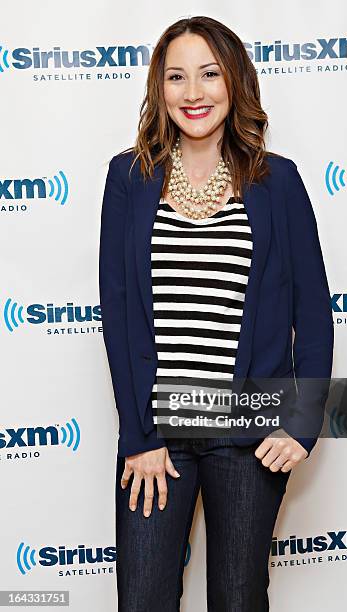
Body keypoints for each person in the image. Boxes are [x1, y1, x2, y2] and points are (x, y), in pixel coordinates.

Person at [99, 15, 334, 612]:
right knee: (143, 599)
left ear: (235, 81)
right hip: (158, 436)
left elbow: (315, 314)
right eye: (177, 77)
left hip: (249, 428)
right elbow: (119, 316)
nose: (194, 92)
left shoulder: (278, 181)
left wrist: (301, 424)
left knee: (238, 599)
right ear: (159, 88)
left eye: (209, 74)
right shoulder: (128, 178)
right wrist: (138, 436)